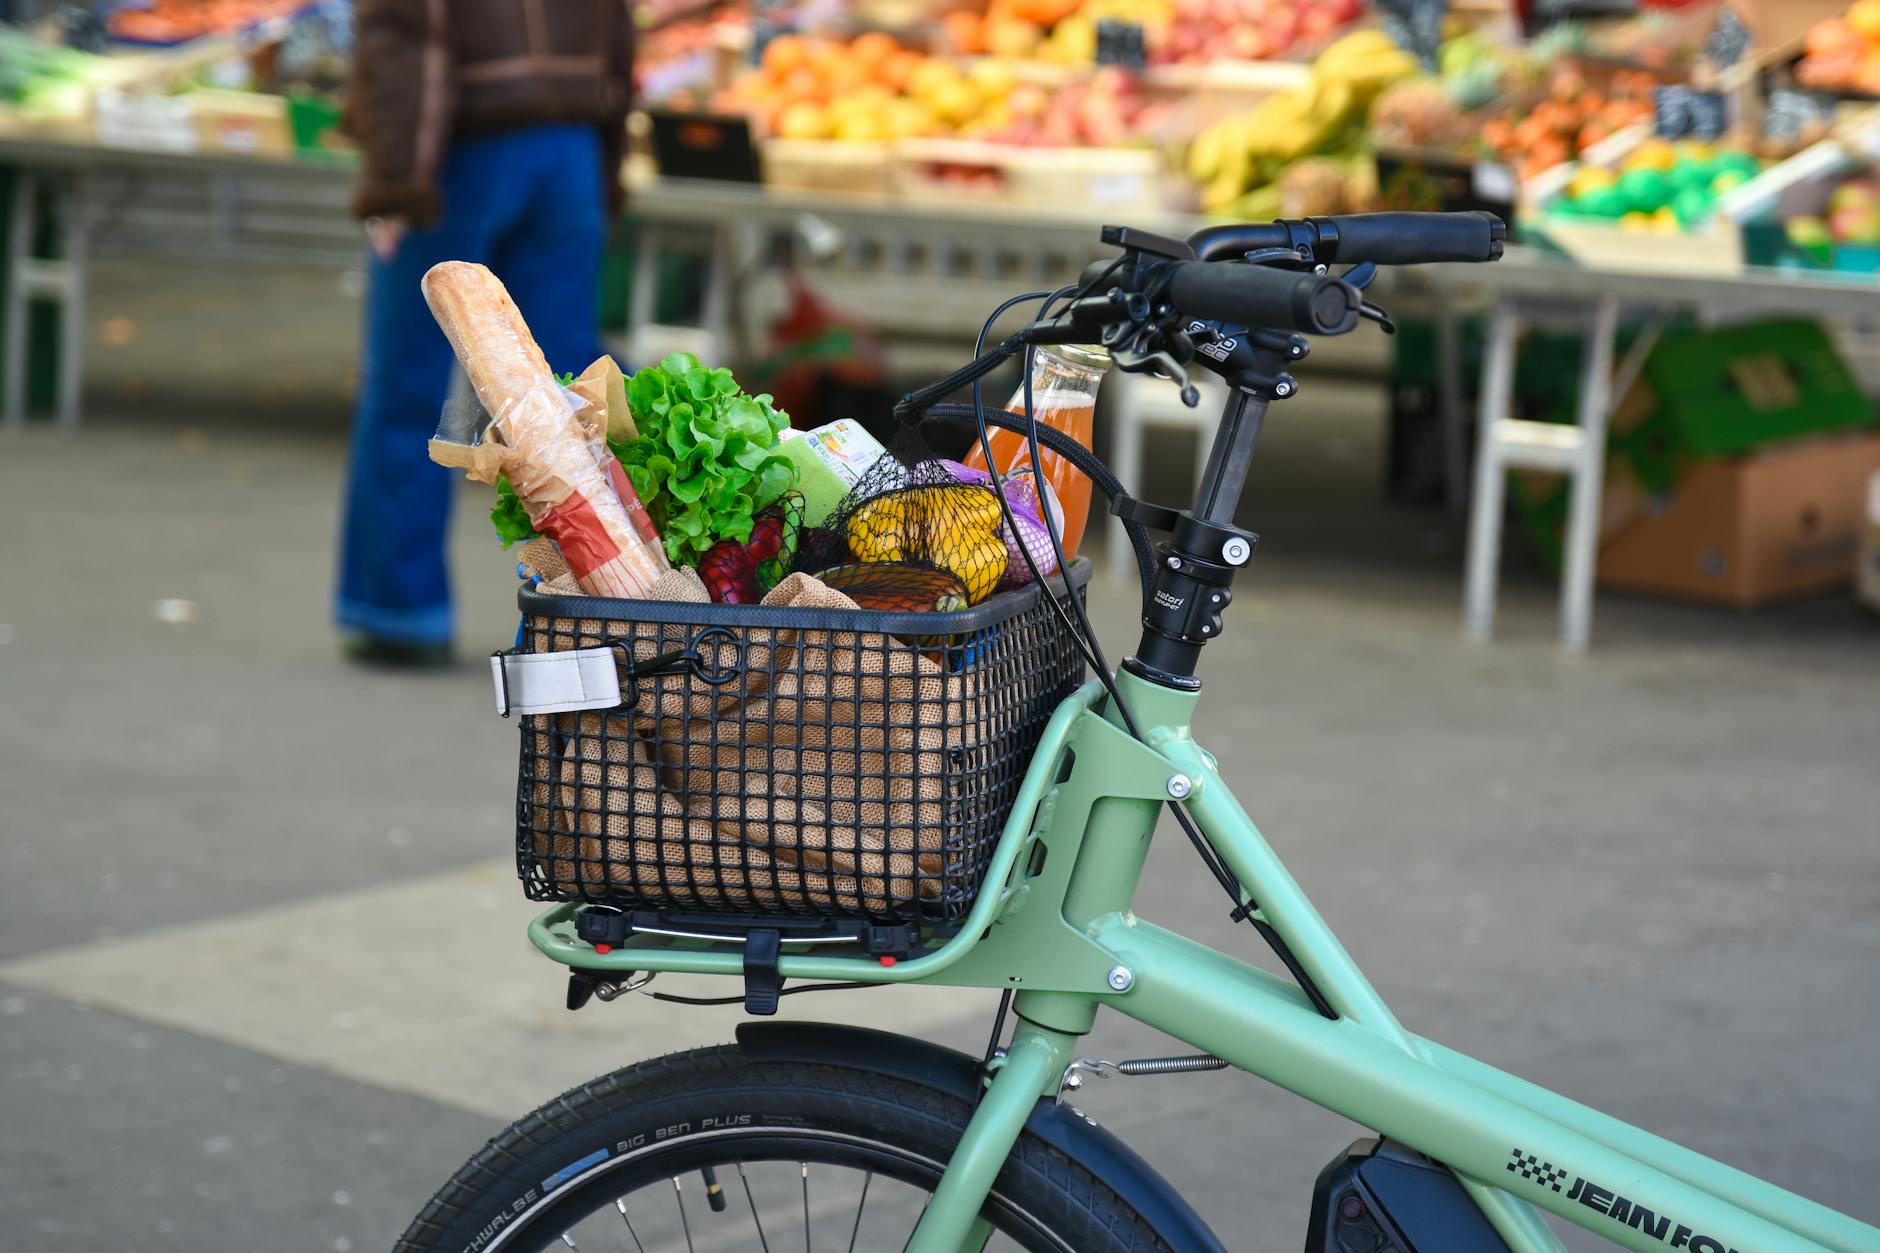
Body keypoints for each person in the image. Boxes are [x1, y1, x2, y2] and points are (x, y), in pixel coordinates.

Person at [335, 0, 634, 666]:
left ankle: (399, 609)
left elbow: (403, 34)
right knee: (564, 407)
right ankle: (591, 620)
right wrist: (605, 160)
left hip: (458, 148)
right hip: (568, 145)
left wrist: (394, 183)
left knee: (410, 386)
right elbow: (617, 30)